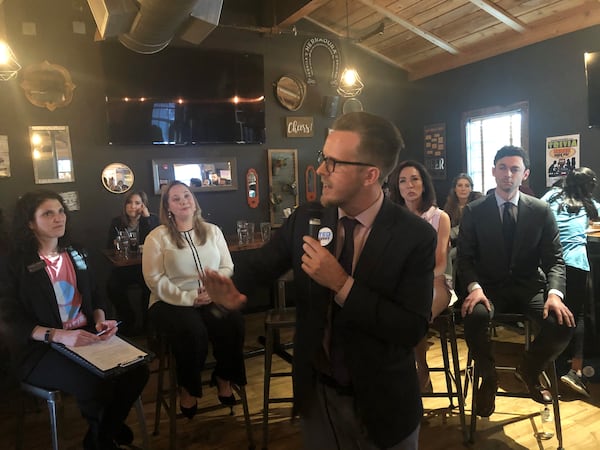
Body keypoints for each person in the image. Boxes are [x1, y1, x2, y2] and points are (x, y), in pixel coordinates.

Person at [203, 112, 436, 450]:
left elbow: (411, 328)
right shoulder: (306, 218)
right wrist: (232, 289)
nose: (322, 170)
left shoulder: (414, 236)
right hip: (318, 398)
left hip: (383, 402)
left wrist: (342, 284)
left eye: (334, 162)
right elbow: (261, 265)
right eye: (323, 158)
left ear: (370, 174)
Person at [1, 189, 149, 450]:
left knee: (138, 369)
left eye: (61, 211)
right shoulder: (13, 264)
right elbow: (9, 319)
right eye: (48, 213)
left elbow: (94, 294)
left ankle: (101, 435)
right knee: (94, 381)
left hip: (87, 336)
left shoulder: (76, 252)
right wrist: (57, 335)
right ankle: (107, 435)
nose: (59, 218)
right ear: (30, 222)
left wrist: (101, 319)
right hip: (42, 349)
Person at [457, 145, 575, 418]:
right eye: (502, 168)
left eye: (514, 169)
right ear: (493, 171)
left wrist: (555, 294)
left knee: (563, 324)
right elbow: (464, 258)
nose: (507, 174)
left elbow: (555, 259)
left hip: (528, 286)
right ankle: (488, 378)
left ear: (525, 174)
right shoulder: (475, 211)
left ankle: (529, 369)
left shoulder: (541, 210)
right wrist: (474, 288)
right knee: (473, 317)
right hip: (488, 289)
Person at [142, 181, 246, 419]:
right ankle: (188, 387)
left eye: (187, 196)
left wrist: (214, 290)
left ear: (194, 200)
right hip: (169, 302)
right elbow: (155, 279)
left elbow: (227, 265)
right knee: (193, 332)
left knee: (233, 322)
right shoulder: (156, 237)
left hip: (210, 298)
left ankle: (223, 376)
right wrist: (189, 298)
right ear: (168, 207)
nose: (183, 201)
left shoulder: (213, 231)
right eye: (176, 199)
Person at [388, 159, 452, 392]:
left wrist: (410, 278)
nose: (409, 185)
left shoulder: (439, 217)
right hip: (399, 286)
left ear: (424, 184)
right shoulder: (391, 217)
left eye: (414, 179)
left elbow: (440, 263)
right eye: (403, 181)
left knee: (415, 313)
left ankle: (421, 369)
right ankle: (397, 373)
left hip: (435, 283)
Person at [541, 167, 600, 397]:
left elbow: (536, 212)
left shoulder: (550, 196)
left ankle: (546, 368)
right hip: (575, 263)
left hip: (548, 263)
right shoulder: (588, 204)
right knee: (577, 316)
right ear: (588, 185)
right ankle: (574, 370)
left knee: (552, 316)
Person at [106, 191, 158, 335]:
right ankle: (128, 318)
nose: (133, 206)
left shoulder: (151, 219)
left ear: (143, 205)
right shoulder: (117, 222)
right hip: (125, 267)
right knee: (112, 286)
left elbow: (156, 240)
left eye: (137, 203)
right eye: (129, 203)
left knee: (149, 288)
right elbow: (109, 246)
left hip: (146, 266)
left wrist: (146, 218)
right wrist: (116, 243)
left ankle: (147, 324)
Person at [443, 173, 483, 293]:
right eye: (460, 185)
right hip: (456, 242)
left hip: (474, 242)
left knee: (450, 255)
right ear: (454, 188)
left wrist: (448, 235)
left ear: (471, 188)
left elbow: (465, 228)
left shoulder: (477, 203)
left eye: (467, 186)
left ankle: (449, 286)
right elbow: (446, 225)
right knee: (443, 250)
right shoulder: (450, 204)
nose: (463, 189)